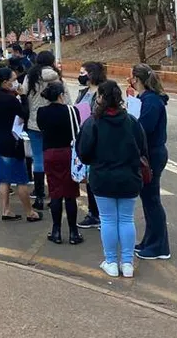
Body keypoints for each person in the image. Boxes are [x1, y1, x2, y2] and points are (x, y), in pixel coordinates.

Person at [77, 80, 147, 279]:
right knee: (126, 219)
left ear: (100, 98)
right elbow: (142, 149)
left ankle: (111, 262)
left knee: (108, 219)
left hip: (102, 177)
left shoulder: (93, 122)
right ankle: (127, 263)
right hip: (129, 177)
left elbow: (83, 152)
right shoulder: (132, 122)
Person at [0, 67, 41, 222]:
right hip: (13, 143)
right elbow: (25, 114)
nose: (16, 83)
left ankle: (6, 210)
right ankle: (30, 212)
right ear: (5, 82)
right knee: (21, 180)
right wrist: (22, 96)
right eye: (14, 80)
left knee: (4, 180)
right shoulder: (9, 99)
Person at [131, 63, 171, 261]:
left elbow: (142, 128)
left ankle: (159, 245)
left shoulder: (151, 102)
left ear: (137, 80)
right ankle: (150, 239)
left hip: (153, 154)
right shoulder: (146, 99)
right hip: (151, 153)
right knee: (147, 199)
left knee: (152, 199)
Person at [37, 81, 84, 245]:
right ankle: (73, 232)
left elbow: (41, 128)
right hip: (68, 154)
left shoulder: (41, 112)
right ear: (60, 95)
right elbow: (78, 131)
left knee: (55, 192)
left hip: (50, 153)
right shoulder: (72, 111)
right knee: (70, 194)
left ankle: (56, 231)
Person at [21, 50, 67, 211]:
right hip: (55, 122)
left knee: (38, 158)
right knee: (55, 158)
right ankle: (55, 195)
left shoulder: (31, 76)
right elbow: (66, 99)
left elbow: (23, 94)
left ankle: (39, 196)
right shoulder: (57, 76)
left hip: (35, 122)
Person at [76, 61, 107, 229]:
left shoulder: (104, 91)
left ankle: (102, 214)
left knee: (98, 178)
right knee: (88, 179)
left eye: (83, 73)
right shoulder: (84, 92)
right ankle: (93, 213)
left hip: (99, 138)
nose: (80, 76)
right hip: (85, 136)